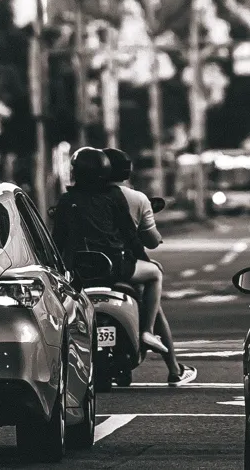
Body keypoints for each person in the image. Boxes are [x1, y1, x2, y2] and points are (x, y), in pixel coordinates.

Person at [51, 147, 168, 355]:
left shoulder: (67, 200)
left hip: (79, 271)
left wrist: (55, 268)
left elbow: (57, 239)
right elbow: (130, 235)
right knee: (155, 274)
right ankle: (147, 332)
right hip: (116, 267)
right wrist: (144, 260)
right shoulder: (114, 196)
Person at [103, 148, 197, 386]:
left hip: (84, 269)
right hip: (123, 266)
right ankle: (172, 366)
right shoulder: (135, 198)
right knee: (154, 283)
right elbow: (152, 241)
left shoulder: (79, 198)